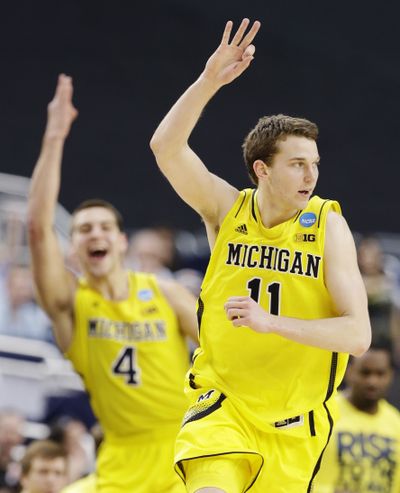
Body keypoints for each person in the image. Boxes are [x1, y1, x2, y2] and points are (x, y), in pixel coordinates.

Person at [150, 18, 371, 493]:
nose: (310, 175)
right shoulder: (226, 210)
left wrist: (271, 323)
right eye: (296, 164)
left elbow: (357, 335)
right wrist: (209, 80)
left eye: (314, 164)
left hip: (297, 426)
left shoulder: (328, 225)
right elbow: (166, 148)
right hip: (222, 407)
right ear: (262, 170)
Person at [28, 75, 198, 493]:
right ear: (74, 249)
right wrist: (54, 137)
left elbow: (224, 354)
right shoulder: (71, 304)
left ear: (122, 241)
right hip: (121, 457)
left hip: (184, 451)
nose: (95, 234)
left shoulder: (167, 293)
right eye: (84, 229)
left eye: (105, 227)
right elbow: (37, 228)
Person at [313, 342, 400, 493]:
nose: (372, 381)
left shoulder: (396, 423)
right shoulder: (324, 411)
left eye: (380, 374)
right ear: (349, 371)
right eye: (365, 373)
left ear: (390, 375)